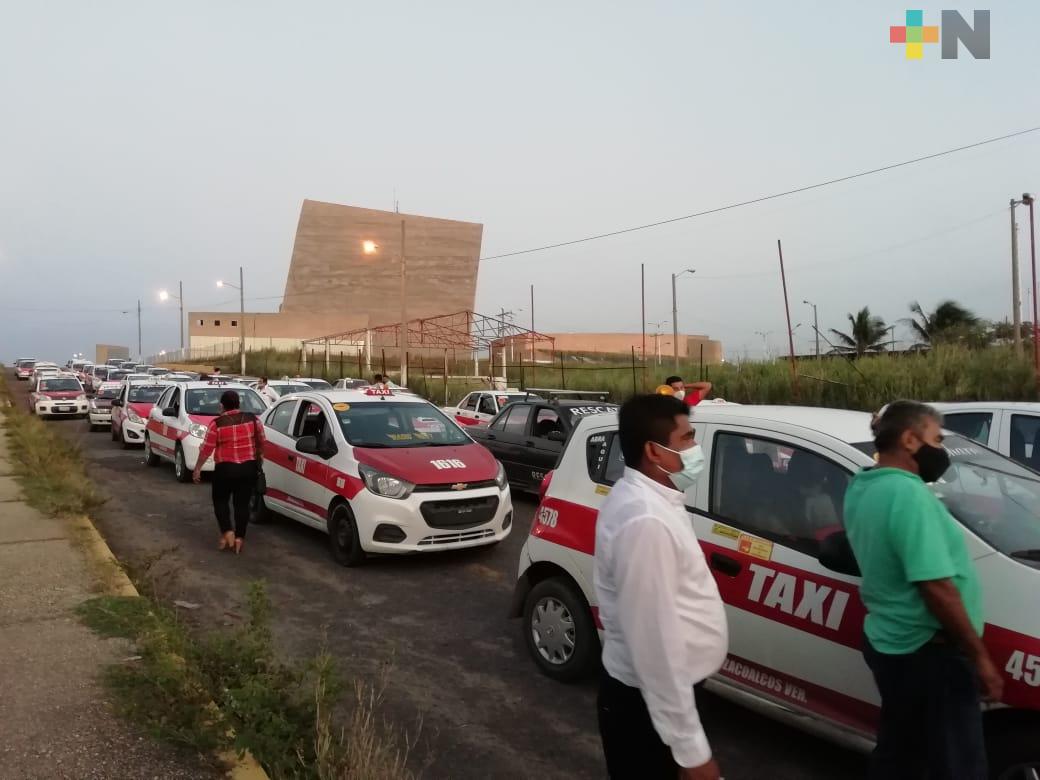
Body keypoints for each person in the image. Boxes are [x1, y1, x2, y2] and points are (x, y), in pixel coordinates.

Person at [843, 400, 1002, 779]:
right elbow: (937, 588)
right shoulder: (909, 495)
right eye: (936, 438)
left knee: (901, 755)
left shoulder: (863, 485)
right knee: (957, 766)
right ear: (911, 440)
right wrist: (980, 658)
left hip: (891, 644)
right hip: (930, 654)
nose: (941, 448)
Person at [594, 393, 727, 779]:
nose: (695, 448)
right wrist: (691, 751)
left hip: (656, 702)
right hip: (645, 708)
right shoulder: (645, 521)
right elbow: (654, 646)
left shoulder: (655, 500)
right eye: (687, 439)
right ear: (654, 450)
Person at [192, 390, 265, 555]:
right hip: (248, 468)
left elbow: (206, 449)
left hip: (225, 469)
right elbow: (262, 441)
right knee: (242, 504)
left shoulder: (217, 423)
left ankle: (227, 531)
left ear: (222, 406)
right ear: (239, 403)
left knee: (220, 501)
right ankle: (240, 538)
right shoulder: (253, 420)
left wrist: (197, 469)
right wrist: (259, 459)